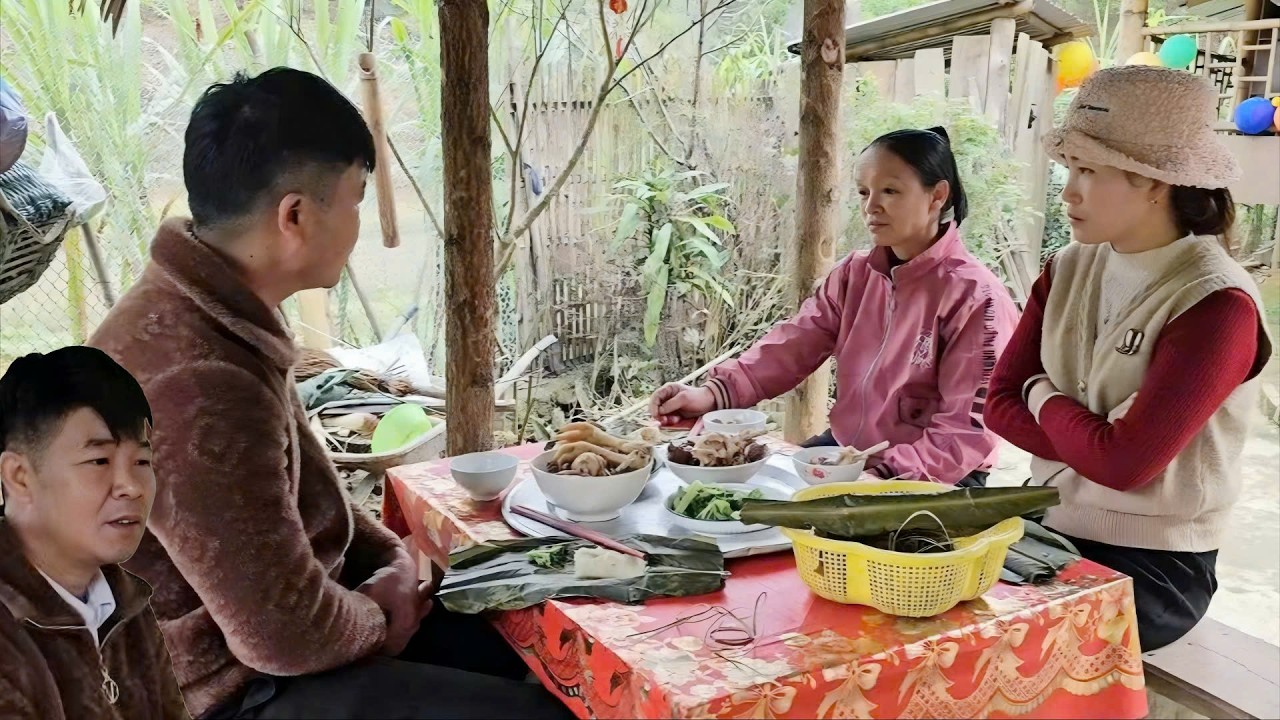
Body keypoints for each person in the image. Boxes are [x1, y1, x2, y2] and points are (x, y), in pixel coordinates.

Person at [89, 68, 570, 719]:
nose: (357, 225)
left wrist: (389, 561)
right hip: (221, 690)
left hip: (284, 633)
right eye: (354, 200)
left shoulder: (214, 312)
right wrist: (378, 614)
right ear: (294, 216)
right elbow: (279, 635)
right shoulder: (193, 381)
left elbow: (292, 509)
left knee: (524, 638)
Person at [985, 66, 1273, 652]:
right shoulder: (1067, 269)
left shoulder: (1216, 304)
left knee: (990, 645)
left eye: (1089, 171)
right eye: (1071, 168)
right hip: (1046, 528)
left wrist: (1040, 394)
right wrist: (1093, 438)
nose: (1069, 192)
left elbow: (1124, 465)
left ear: (1154, 182)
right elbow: (997, 406)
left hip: (1156, 566)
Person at [651, 127, 1019, 485]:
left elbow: (966, 431)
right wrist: (712, 394)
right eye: (863, 192)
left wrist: (881, 479)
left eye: (890, 191)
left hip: (936, 475)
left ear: (937, 195)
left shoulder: (975, 298)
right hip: (849, 453)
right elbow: (793, 345)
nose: (871, 207)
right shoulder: (854, 275)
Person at [0, 346, 189, 719]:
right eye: (99, 460)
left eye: (142, 461)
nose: (131, 486)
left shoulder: (126, 604)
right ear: (19, 477)